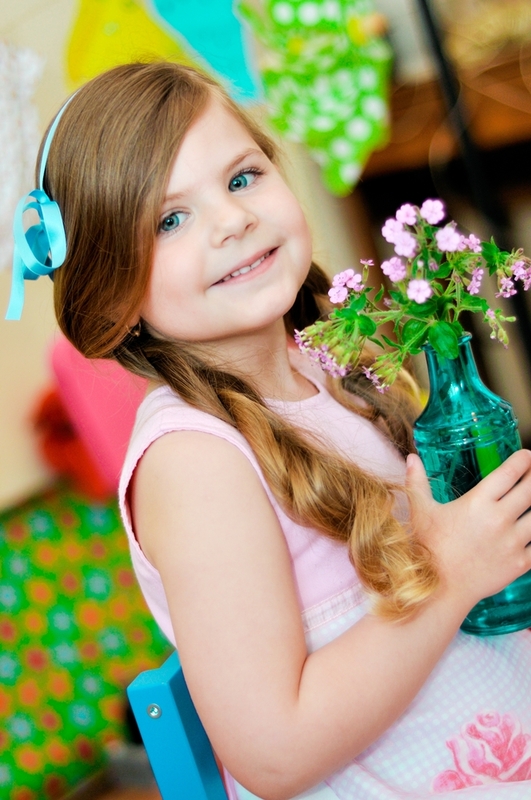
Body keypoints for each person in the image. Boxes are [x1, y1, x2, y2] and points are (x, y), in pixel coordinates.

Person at [10, 61, 531, 799]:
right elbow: (275, 752)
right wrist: (449, 575)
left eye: (242, 177)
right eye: (169, 220)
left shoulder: (325, 366)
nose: (233, 220)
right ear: (113, 292)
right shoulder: (195, 464)